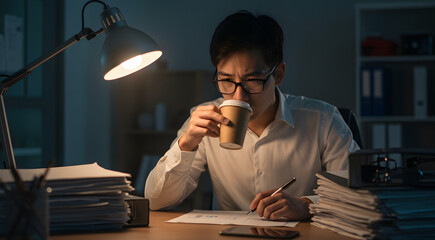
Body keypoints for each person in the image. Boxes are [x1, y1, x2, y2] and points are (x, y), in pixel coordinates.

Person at [145, 10, 359, 221]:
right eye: (226, 80)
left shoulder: (323, 119)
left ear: (279, 74)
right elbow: (156, 201)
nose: (239, 96)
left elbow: (360, 195)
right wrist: (186, 144)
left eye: (253, 81)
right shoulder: (204, 119)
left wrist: (307, 205)